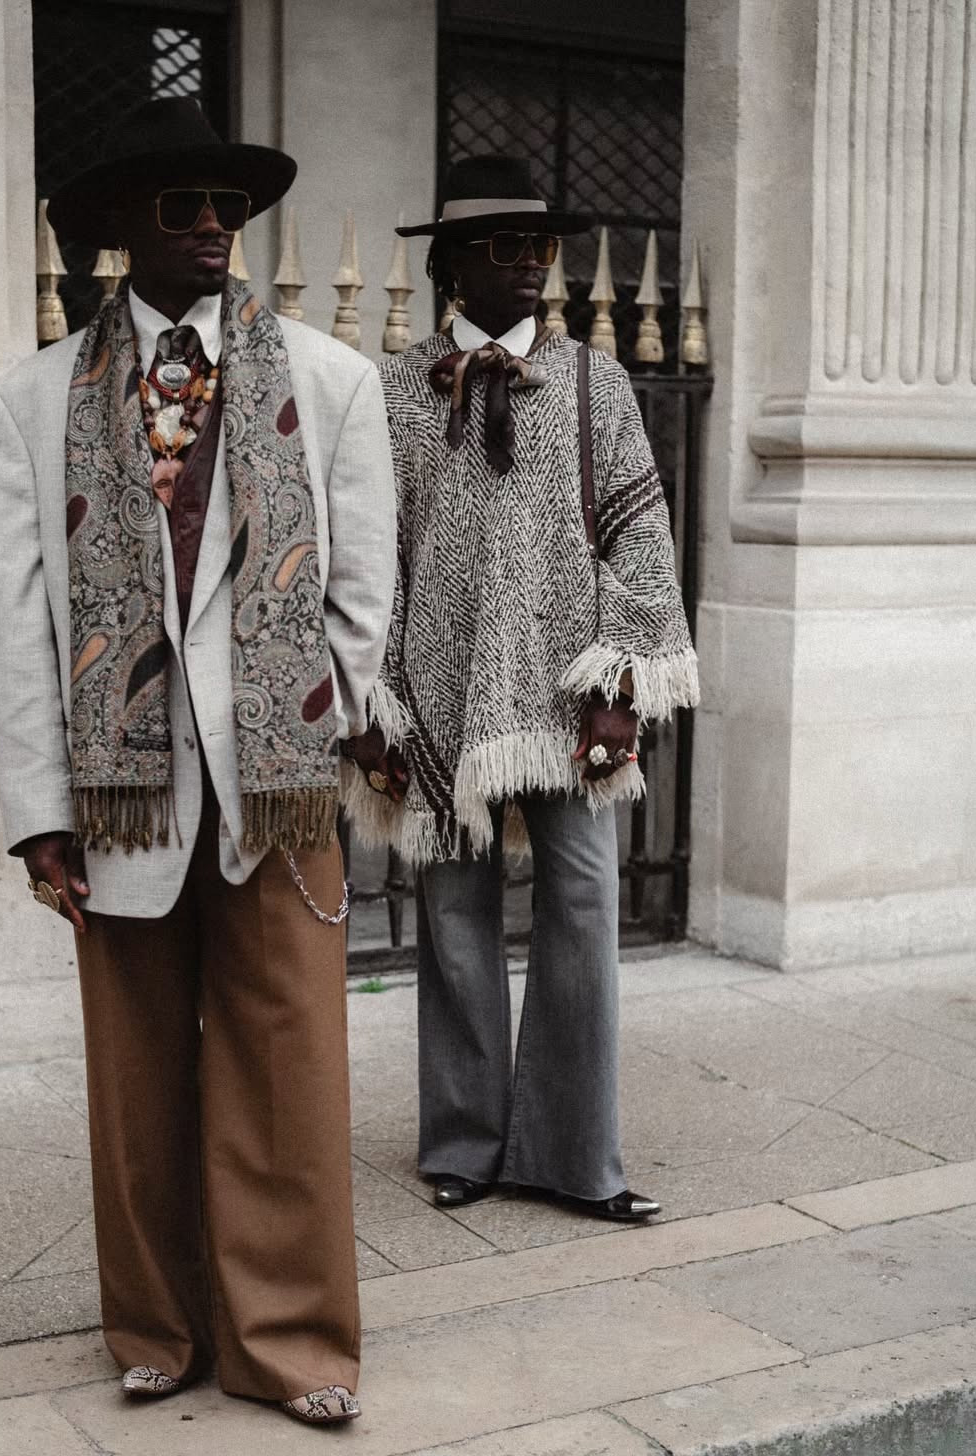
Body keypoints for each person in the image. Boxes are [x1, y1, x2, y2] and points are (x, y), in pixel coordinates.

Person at [0, 98, 395, 1426]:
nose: (212, 224)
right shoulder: (34, 398)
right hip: (120, 785)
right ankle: (157, 1326)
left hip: (277, 782)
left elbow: (359, 596)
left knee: (288, 1067)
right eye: (180, 203)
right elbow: (19, 620)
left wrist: (307, 726)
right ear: (115, 227)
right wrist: (42, 809)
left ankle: (292, 1344)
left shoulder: (333, 380)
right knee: (137, 1070)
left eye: (227, 202)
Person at [343, 155, 698, 1220]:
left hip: (567, 688)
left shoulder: (600, 381)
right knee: (454, 917)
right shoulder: (396, 389)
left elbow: (639, 537)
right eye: (503, 244)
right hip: (438, 684)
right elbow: (374, 551)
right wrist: (378, 699)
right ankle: (464, 1141)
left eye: (541, 244)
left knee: (584, 905)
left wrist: (621, 679)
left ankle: (576, 1156)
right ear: (451, 263)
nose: (532, 264)